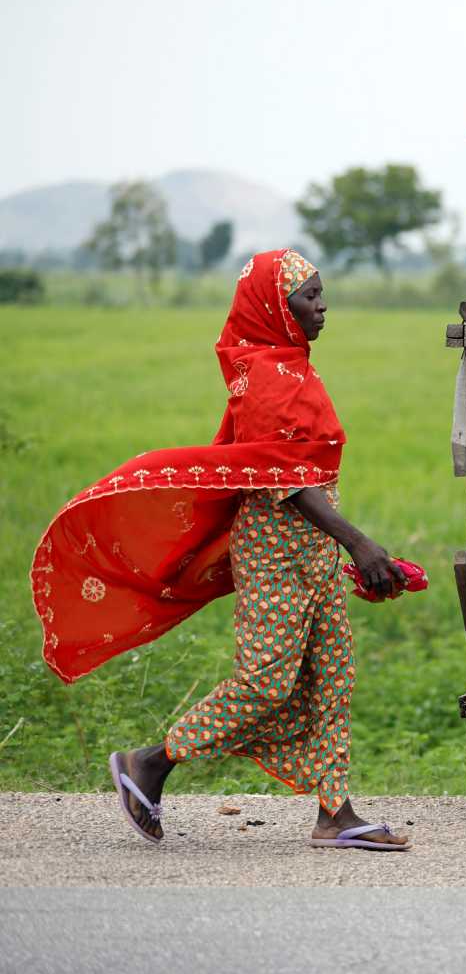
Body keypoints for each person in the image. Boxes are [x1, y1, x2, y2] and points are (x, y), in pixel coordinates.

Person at [29, 250, 411, 851]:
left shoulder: (291, 367)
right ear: (272, 308)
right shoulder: (263, 376)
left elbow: (305, 465)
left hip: (313, 554)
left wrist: (345, 550)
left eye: (321, 292)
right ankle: (149, 763)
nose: (322, 305)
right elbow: (285, 478)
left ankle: (335, 814)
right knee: (265, 684)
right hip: (275, 554)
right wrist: (360, 542)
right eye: (309, 295)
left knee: (332, 678)